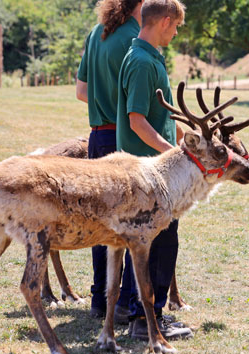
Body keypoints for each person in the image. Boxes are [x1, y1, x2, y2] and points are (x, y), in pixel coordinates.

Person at [116, 0, 190, 340]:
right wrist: (173, 152)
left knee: (151, 244)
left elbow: (156, 118)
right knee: (159, 244)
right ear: (164, 21)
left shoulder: (147, 58)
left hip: (151, 171)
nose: (176, 33)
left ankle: (140, 314)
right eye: (175, 26)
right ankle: (147, 320)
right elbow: (137, 122)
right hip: (149, 175)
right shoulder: (143, 62)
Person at [75, 0, 145, 324]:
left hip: (96, 138)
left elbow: (81, 91)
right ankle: (128, 303)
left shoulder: (96, 32)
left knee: (100, 224)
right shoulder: (138, 37)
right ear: (141, 3)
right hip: (127, 139)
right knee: (132, 225)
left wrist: (104, 100)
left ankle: (99, 300)